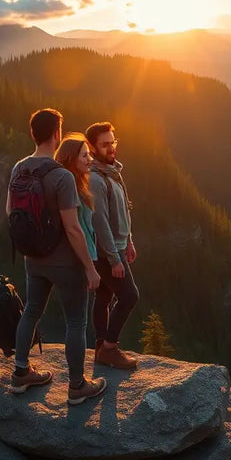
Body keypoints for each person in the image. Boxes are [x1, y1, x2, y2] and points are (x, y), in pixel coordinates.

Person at [7, 108, 107, 406]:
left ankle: (21, 372)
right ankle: (77, 386)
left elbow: (10, 213)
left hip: (32, 259)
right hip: (65, 264)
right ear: (57, 135)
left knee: (31, 311)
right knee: (75, 322)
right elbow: (73, 229)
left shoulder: (19, 168)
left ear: (32, 134)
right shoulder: (62, 176)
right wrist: (90, 268)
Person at [85, 121, 139, 370]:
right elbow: (100, 221)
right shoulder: (96, 179)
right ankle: (109, 347)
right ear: (93, 148)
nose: (111, 148)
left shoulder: (113, 172)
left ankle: (100, 345)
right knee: (129, 296)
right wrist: (114, 258)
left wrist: (129, 241)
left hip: (117, 246)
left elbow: (123, 209)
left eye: (113, 142)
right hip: (107, 251)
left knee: (104, 296)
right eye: (105, 144)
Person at [54, 134, 98, 265]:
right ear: (71, 159)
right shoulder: (69, 187)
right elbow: (74, 229)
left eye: (89, 154)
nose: (90, 159)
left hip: (82, 258)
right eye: (85, 156)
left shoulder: (80, 186)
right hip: (77, 261)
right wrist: (89, 267)